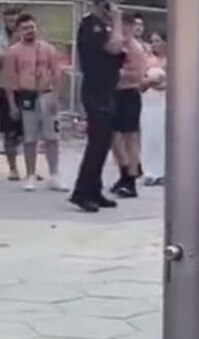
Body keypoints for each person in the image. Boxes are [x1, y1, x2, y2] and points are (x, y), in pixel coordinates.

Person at [70, 0, 125, 213]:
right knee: (97, 143)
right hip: (95, 91)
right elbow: (114, 47)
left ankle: (94, 189)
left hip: (106, 89)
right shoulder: (91, 25)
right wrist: (118, 20)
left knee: (103, 142)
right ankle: (81, 191)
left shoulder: (105, 27)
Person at [5, 14, 66, 192]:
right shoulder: (14, 51)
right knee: (30, 138)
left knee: (52, 138)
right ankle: (31, 174)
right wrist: (12, 105)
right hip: (26, 97)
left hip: (46, 95)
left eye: (31, 27)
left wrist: (55, 97)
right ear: (18, 31)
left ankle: (54, 175)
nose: (29, 31)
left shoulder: (48, 49)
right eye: (24, 28)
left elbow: (57, 74)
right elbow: (10, 80)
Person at [109, 13, 146, 198]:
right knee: (112, 137)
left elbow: (137, 76)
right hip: (113, 94)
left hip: (128, 94)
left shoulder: (135, 49)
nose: (122, 30)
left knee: (130, 137)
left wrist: (116, 72)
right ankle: (123, 172)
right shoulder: (115, 46)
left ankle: (131, 178)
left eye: (126, 26)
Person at [140, 32, 167, 186]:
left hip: (163, 99)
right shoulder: (147, 61)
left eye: (157, 41)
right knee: (149, 135)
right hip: (149, 100)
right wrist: (150, 82)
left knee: (162, 135)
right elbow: (141, 82)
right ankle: (149, 171)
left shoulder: (170, 61)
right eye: (152, 41)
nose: (154, 44)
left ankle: (162, 171)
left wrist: (159, 84)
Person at [0, 8, 21, 181]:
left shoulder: (27, 36)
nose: (11, 24)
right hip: (2, 86)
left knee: (22, 131)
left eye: (14, 20)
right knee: (8, 129)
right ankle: (13, 168)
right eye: (8, 20)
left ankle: (27, 167)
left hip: (22, 88)